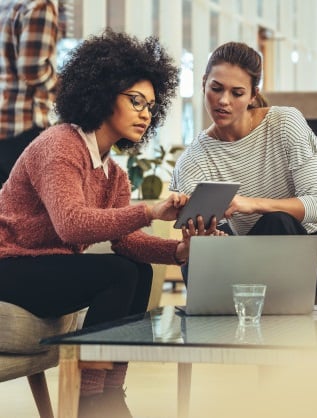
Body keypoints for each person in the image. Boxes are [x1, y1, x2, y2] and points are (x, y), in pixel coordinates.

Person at [0, 29, 223, 418]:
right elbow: (71, 225)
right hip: (9, 265)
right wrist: (151, 210)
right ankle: (92, 401)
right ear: (102, 94)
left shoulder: (114, 174)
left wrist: (179, 251)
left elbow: (127, 241)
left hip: (44, 268)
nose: (145, 113)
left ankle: (107, 392)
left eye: (151, 106)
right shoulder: (60, 144)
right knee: (118, 272)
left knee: (136, 269)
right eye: (135, 100)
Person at [170, 41, 317, 305]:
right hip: (252, 265)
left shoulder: (285, 123)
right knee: (198, 261)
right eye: (216, 89)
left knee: (277, 222)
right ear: (203, 82)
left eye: (237, 93)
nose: (223, 101)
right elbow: (220, 247)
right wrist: (201, 237)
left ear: (252, 94)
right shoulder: (192, 161)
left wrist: (252, 205)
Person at [0, 0, 59, 187]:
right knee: (28, 210)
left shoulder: (7, 5)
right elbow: (32, 69)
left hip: (5, 121)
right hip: (24, 124)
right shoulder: (40, 5)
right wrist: (63, 86)